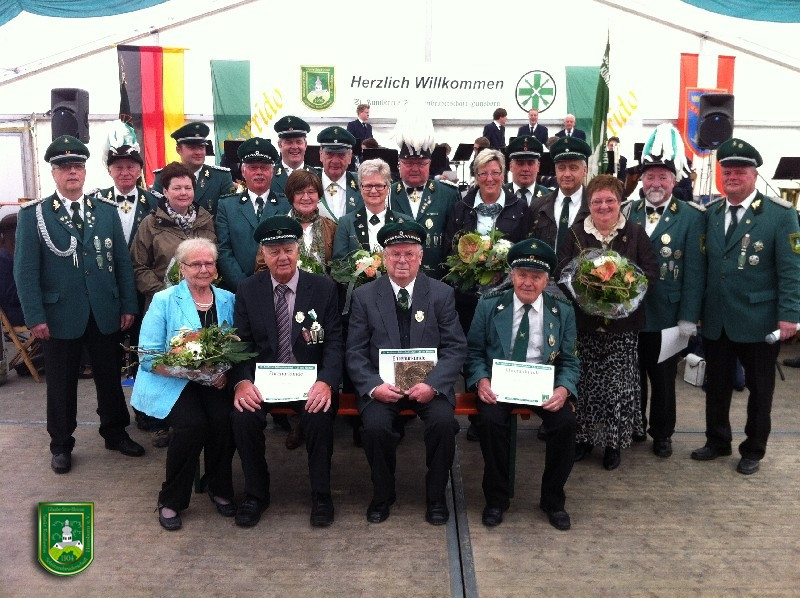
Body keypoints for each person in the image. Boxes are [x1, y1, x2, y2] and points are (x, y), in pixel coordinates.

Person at [14, 135, 144, 474]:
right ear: (53, 173)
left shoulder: (105, 211)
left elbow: (121, 263)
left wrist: (127, 304)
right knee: (61, 383)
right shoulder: (35, 215)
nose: (72, 172)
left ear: (85, 171)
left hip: (104, 310)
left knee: (110, 377)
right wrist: (35, 316)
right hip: (58, 315)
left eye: (77, 166)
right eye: (64, 167)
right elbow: (25, 272)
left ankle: (115, 432)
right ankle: (61, 444)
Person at [690, 138, 800, 475]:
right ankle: (717, 441)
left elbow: (791, 270)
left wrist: (790, 315)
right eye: (727, 171)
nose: (733, 176)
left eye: (740, 171)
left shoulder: (780, 215)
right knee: (716, 385)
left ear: (754, 175)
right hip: (717, 317)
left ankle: (754, 448)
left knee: (760, 390)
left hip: (759, 319)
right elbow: (704, 266)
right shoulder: (711, 213)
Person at [346, 221, 465, 525]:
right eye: (395, 254)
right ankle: (383, 494)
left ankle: (436, 497)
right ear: (383, 257)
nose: (402, 260)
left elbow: (455, 347)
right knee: (374, 428)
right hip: (383, 386)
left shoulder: (441, 294)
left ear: (420, 257)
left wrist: (433, 385)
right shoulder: (365, 296)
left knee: (443, 424)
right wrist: (373, 387)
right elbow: (355, 351)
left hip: (429, 386)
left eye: (409, 254)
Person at [230, 216, 343, 527]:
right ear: (263, 255)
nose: (282, 257)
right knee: (242, 416)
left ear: (298, 251)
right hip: (264, 381)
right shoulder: (248, 289)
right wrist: (242, 382)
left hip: (309, 381)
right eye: (274, 251)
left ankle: (321, 494)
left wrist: (326, 382)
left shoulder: (322, 288)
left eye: (288, 250)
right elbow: (240, 343)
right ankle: (256, 493)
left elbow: (334, 342)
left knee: (319, 416)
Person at [466, 238, 578, 530]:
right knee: (490, 422)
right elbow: (474, 352)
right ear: (512, 275)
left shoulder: (562, 310)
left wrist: (563, 389)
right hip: (499, 385)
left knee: (565, 424)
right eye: (522, 274)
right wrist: (481, 380)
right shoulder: (490, 305)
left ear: (547, 280)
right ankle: (496, 499)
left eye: (536, 276)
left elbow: (569, 360)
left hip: (542, 384)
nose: (528, 282)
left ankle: (553, 500)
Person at [131, 238, 236, 530]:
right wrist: (188, 371)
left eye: (209, 263)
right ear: (182, 268)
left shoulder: (228, 299)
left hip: (214, 381)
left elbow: (234, 346)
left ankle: (218, 486)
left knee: (225, 419)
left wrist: (223, 372)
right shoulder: (164, 300)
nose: (203, 269)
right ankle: (171, 498)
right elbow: (148, 356)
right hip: (172, 380)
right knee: (192, 425)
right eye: (195, 264)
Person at [557, 174, 658, 470]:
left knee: (617, 386)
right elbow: (562, 270)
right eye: (597, 201)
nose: (604, 206)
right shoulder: (576, 233)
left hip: (623, 327)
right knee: (585, 382)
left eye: (610, 200)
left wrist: (622, 292)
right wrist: (588, 294)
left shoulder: (636, 233)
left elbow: (650, 272)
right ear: (589, 205)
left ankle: (613, 444)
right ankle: (584, 439)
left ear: (620, 202)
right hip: (584, 324)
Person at [623, 124, 706, 457]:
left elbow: (695, 272)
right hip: (630, 312)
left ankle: (662, 433)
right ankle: (636, 425)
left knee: (663, 378)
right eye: (649, 177)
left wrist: (689, 317)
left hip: (669, 315)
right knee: (633, 375)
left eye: (662, 177)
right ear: (641, 181)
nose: (655, 183)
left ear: (674, 180)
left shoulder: (690, 217)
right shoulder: (627, 212)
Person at [444, 149, 533, 335]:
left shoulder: (519, 207)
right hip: (468, 297)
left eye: (495, 172)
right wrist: (468, 268)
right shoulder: (460, 208)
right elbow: (450, 249)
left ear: (503, 174)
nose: (489, 179)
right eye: (483, 173)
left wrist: (502, 271)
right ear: (476, 176)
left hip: (507, 294)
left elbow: (525, 249)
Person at [215, 137, 289, 292]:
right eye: (253, 168)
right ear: (243, 171)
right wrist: (244, 286)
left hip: (279, 288)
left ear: (272, 172)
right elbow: (224, 250)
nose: (259, 172)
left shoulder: (286, 205)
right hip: (237, 289)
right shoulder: (227, 206)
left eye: (264, 167)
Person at [388, 118, 459, 278]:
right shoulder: (387, 194)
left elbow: (455, 241)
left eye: (421, 164)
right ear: (399, 163)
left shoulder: (448, 194)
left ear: (429, 164)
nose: (415, 168)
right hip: (397, 278)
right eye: (409, 163)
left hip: (439, 280)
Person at [332, 159, 411, 259]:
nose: (373, 191)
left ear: (388, 188)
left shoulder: (405, 222)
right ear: (360, 188)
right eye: (368, 186)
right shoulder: (346, 223)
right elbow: (338, 263)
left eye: (379, 186)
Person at [152, 122, 235, 215]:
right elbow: (156, 211)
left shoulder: (221, 177)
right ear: (179, 150)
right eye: (192, 148)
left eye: (201, 147)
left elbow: (229, 213)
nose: (198, 152)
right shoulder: (163, 176)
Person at [529, 136, 592, 257]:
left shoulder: (595, 207)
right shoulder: (538, 206)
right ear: (555, 170)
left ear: (585, 170)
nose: (567, 174)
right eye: (561, 168)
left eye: (573, 168)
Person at [92, 143, 158, 248]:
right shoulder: (96, 201)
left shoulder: (154, 202)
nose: (124, 173)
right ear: (109, 171)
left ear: (139, 171)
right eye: (119, 168)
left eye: (130, 167)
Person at [313, 126, 363, 223]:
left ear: (350, 157)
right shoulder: (309, 183)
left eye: (341, 155)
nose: (335, 161)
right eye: (330, 154)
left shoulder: (362, 184)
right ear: (321, 155)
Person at [271, 115, 312, 201]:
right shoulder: (269, 177)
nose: (294, 147)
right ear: (280, 145)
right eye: (289, 142)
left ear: (305, 145)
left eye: (299, 142)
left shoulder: (317, 176)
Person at [504, 135, 552, 208]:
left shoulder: (549, 198)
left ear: (538, 166)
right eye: (520, 163)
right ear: (511, 166)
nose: (525, 169)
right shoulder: (500, 195)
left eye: (530, 163)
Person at [0, 213, 24, 326]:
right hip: (13, 313)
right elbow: (10, 296)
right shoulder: (4, 259)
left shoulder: (9, 255)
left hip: (16, 310)